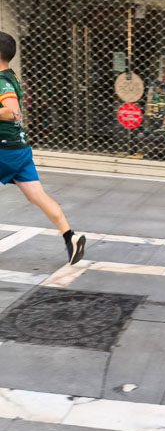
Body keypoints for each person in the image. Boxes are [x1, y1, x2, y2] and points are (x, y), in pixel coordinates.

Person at [0, 31, 85, 264]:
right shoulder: (10, 76)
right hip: (19, 148)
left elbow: (13, 112)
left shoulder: (2, 81)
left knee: (37, 195)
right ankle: (70, 237)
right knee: (36, 195)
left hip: (4, 149)